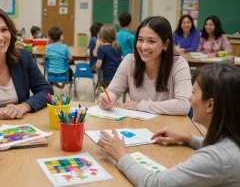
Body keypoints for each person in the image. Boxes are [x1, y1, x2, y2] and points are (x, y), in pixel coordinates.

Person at [97, 63, 240, 186]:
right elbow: (222, 148)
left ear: (210, 105)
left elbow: (154, 183)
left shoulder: (215, 159)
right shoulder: (233, 138)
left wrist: (121, 156)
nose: (189, 98)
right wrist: (188, 138)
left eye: (193, 92)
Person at [99, 16, 192, 115]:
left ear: (166, 44)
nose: (143, 47)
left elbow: (184, 105)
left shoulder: (178, 64)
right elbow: (113, 91)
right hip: (138, 126)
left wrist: (141, 106)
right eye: (140, 40)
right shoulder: (130, 61)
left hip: (168, 126)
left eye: (151, 41)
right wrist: (108, 98)